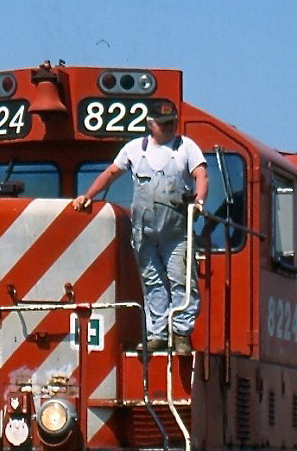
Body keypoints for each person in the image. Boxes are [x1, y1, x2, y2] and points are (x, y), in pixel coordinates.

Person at [72, 101, 209, 353]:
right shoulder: (135, 149)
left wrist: (199, 201)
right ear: (150, 124)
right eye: (162, 124)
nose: (168, 128)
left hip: (177, 233)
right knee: (152, 281)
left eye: (172, 123)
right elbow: (112, 173)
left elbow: (201, 174)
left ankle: (181, 334)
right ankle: (157, 333)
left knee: (182, 281)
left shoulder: (186, 147)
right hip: (144, 233)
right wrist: (88, 195)